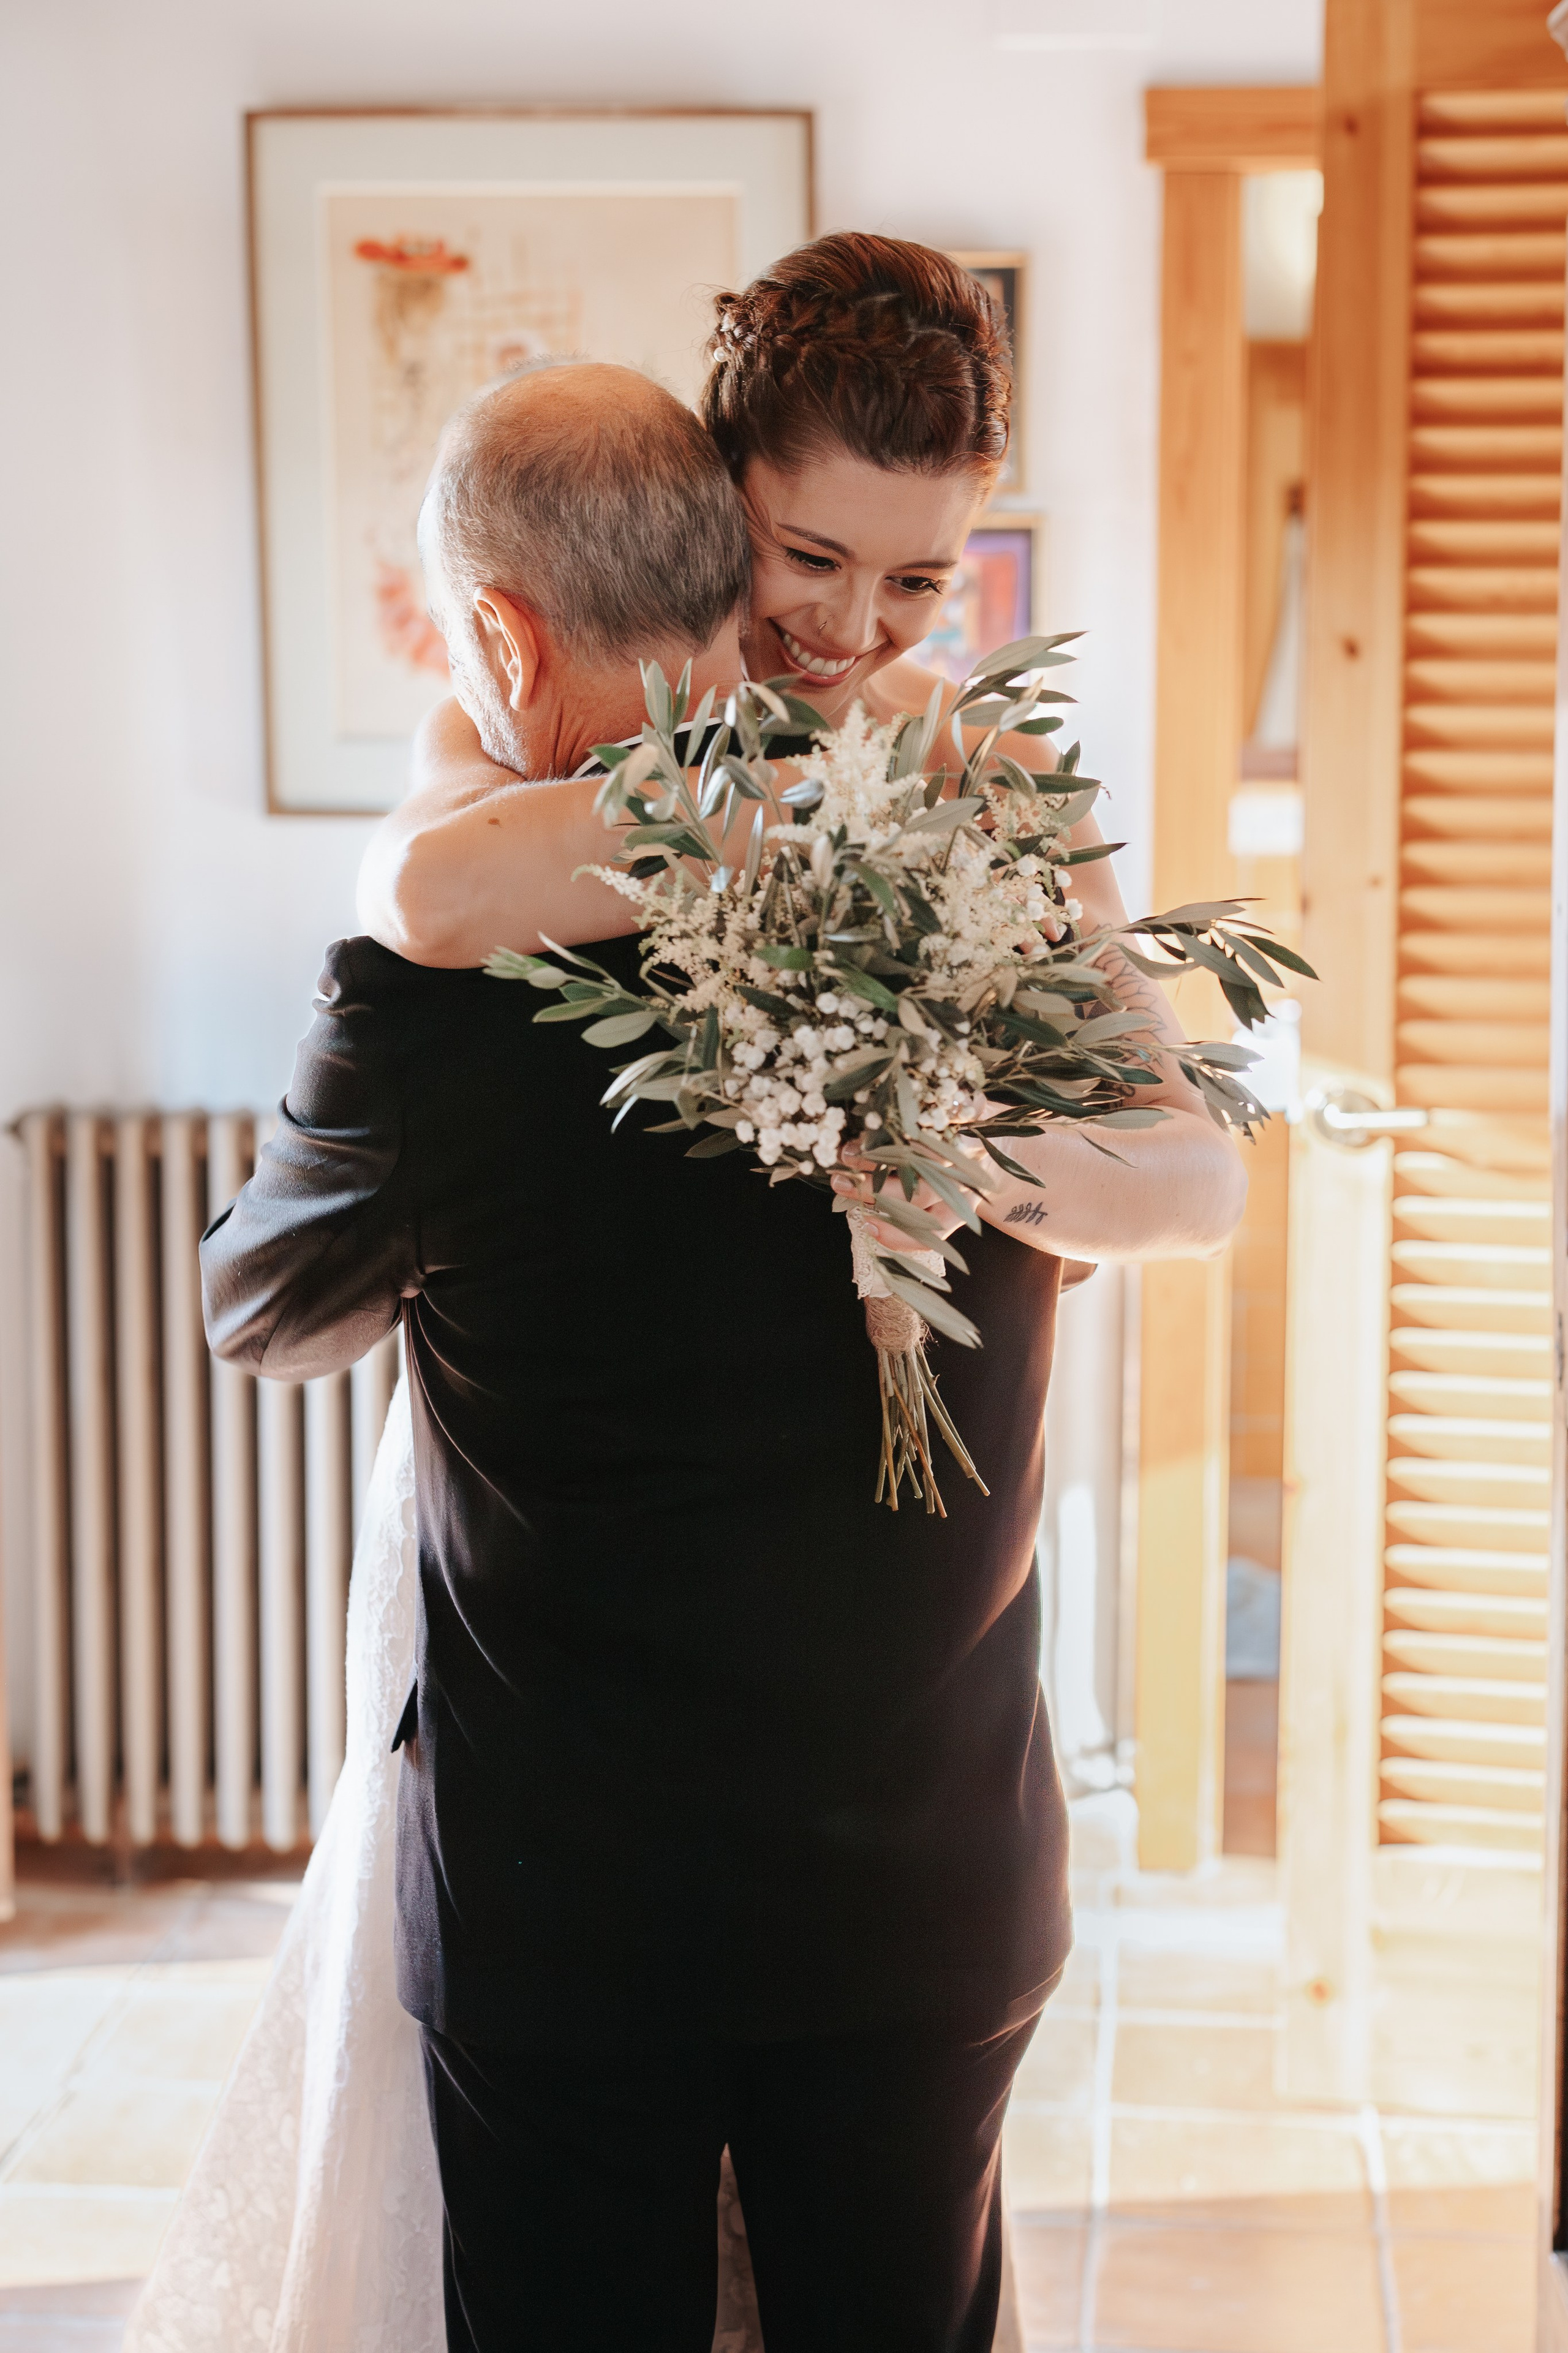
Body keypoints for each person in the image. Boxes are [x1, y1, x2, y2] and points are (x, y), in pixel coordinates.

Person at [127, 241, 1244, 2353]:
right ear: (715, 500)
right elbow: (428, 884)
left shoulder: (989, 798)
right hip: (596, 1870)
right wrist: (651, 842)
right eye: (807, 556)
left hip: (921, 1839)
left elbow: (1189, 1179)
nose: (849, 628)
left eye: (918, 583)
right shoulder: (513, 814)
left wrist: (938, 1130)